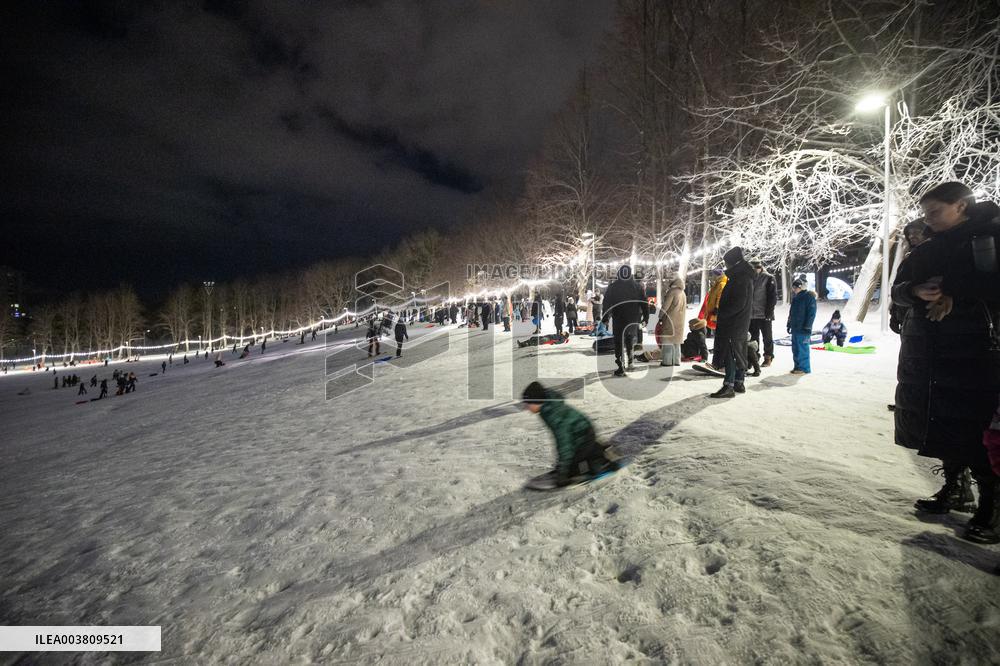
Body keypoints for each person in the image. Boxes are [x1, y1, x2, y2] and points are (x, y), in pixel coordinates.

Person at [892, 182, 1000, 543]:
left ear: (961, 206)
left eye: (935, 212)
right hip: (930, 350)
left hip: (977, 350)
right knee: (940, 421)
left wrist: (953, 290)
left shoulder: (989, 238)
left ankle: (992, 506)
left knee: (978, 428)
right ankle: (955, 488)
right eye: (925, 214)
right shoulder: (928, 247)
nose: (928, 220)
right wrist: (914, 291)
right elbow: (898, 289)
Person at [521, 381, 620, 486]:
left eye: (528, 403)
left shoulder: (553, 415)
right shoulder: (547, 408)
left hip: (583, 435)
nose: (526, 407)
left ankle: (603, 463)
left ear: (536, 402)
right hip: (579, 432)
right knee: (573, 462)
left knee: (576, 471)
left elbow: (564, 443)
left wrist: (563, 472)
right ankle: (597, 449)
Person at [709, 247, 755, 398]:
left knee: (731, 352)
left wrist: (722, 313)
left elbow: (738, 303)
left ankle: (729, 385)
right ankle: (738, 382)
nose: (725, 266)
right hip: (739, 321)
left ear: (733, 263)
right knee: (738, 351)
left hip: (733, 322)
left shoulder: (740, 278)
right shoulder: (742, 276)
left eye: (726, 263)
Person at [602, 265, 649, 377]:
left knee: (619, 342)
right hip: (633, 318)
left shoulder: (613, 287)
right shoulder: (637, 286)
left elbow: (607, 303)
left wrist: (605, 317)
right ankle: (631, 362)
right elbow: (644, 303)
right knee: (630, 339)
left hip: (619, 318)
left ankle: (621, 366)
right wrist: (646, 317)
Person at [890, 219, 930, 334]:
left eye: (916, 232)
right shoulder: (909, 259)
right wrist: (894, 315)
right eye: (909, 233)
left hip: (924, 319)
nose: (912, 236)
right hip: (907, 319)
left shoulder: (934, 258)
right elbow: (899, 285)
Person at [749, 259, 778, 367]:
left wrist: (769, 312)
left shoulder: (768, 278)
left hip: (764, 313)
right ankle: (754, 357)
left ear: (760, 267)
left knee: (767, 337)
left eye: (755, 268)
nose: (754, 270)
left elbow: (772, 297)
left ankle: (768, 357)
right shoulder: (749, 278)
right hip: (751, 314)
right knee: (753, 338)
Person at [787, 279, 817, 375]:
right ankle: (797, 366)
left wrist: (808, 325)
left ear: (801, 287)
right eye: (793, 287)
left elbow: (811, 313)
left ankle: (804, 368)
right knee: (795, 348)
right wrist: (789, 323)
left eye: (796, 287)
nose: (794, 289)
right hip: (795, 328)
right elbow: (792, 313)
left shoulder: (809, 297)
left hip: (803, 328)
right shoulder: (796, 298)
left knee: (802, 348)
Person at [657, 276, 686, 367]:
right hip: (680, 321)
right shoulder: (683, 293)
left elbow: (665, 306)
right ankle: (677, 360)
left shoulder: (672, 292)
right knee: (676, 342)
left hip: (670, 320)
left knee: (668, 341)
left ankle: (667, 361)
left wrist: (660, 316)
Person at [698, 269, 727, 338]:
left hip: (715, 309)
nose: (712, 276)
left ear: (717, 275)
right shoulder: (717, 283)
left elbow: (720, 297)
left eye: (713, 275)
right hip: (711, 308)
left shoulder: (721, 284)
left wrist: (717, 308)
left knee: (715, 325)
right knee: (711, 324)